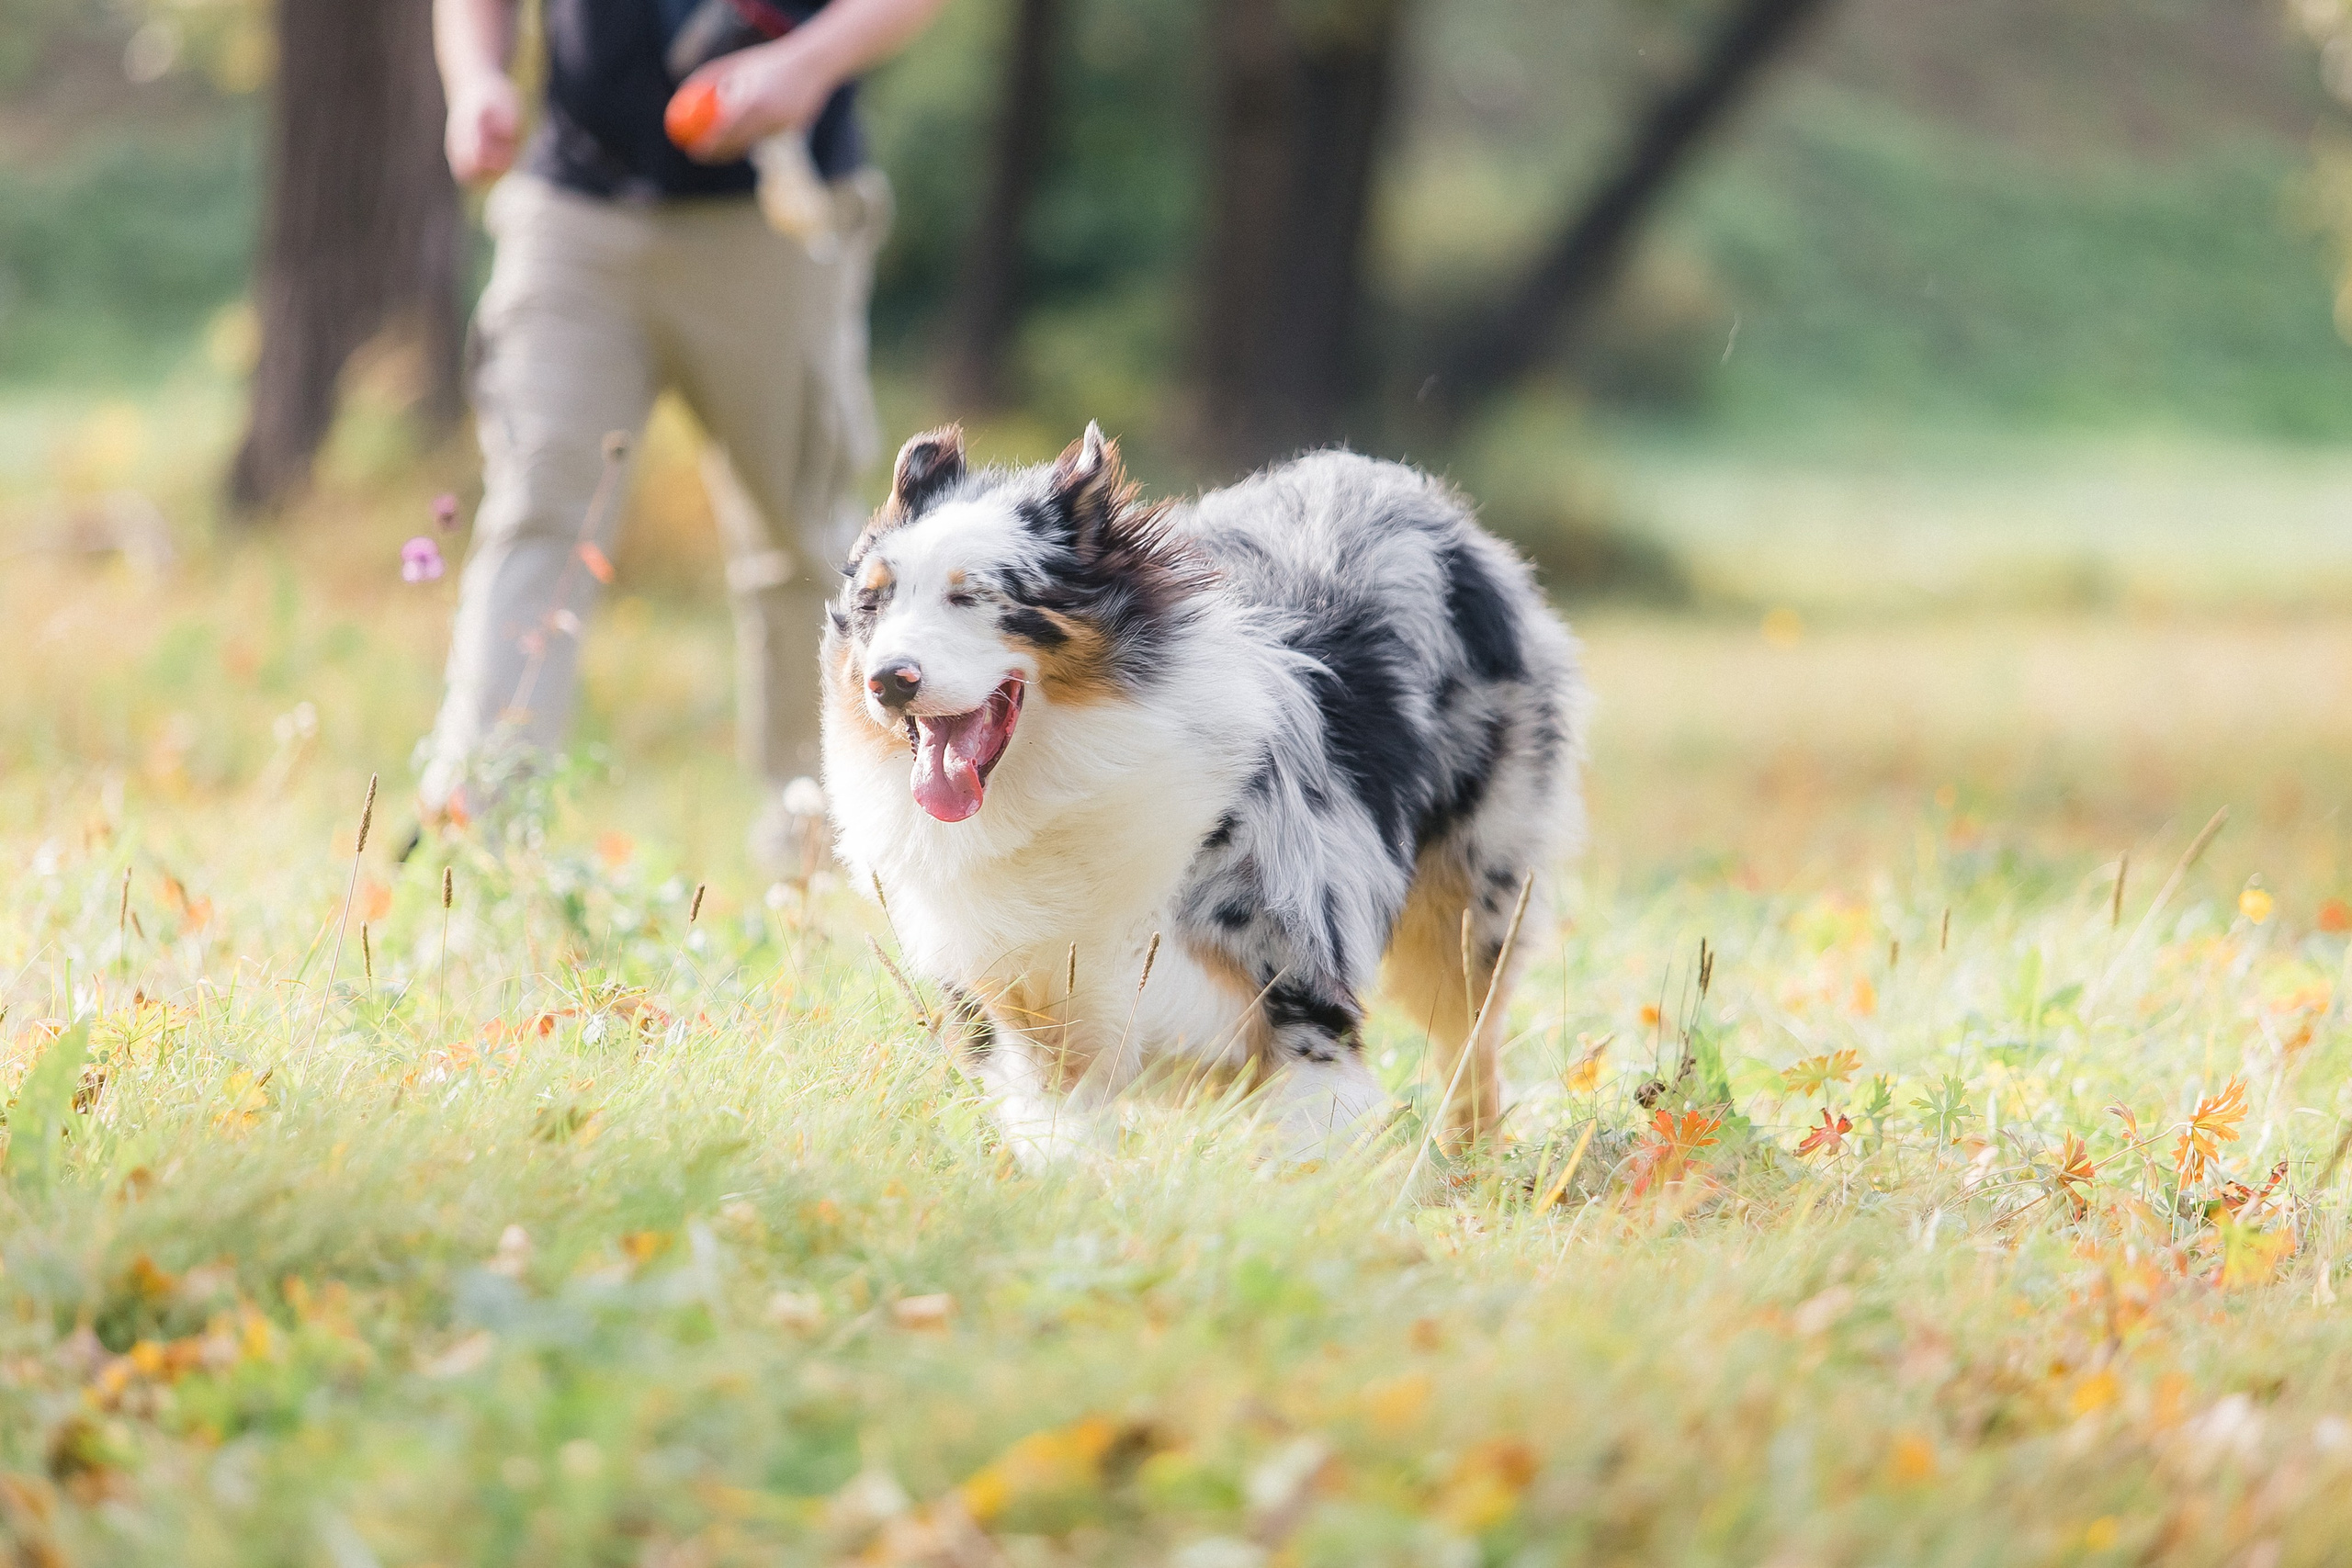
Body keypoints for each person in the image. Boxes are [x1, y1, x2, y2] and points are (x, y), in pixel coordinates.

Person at [416, 0, 948, 870]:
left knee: (803, 536)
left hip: (774, 216)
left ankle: (820, 841)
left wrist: (808, 64)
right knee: (537, 516)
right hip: (573, 210)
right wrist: (476, 81)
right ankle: (479, 831)